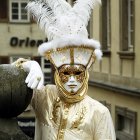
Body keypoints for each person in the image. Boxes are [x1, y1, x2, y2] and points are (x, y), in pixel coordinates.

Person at [13, 0, 116, 139]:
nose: (72, 79)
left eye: (78, 73)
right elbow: (10, 86)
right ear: (57, 73)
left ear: (85, 73)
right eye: (66, 73)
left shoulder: (99, 112)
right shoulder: (44, 97)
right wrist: (29, 66)